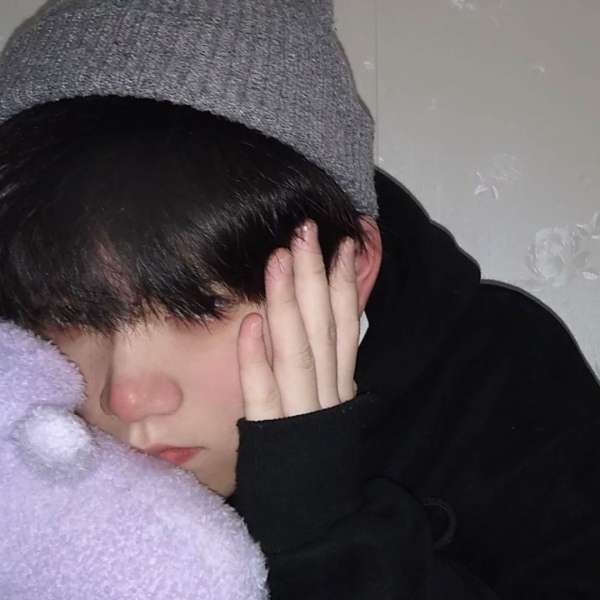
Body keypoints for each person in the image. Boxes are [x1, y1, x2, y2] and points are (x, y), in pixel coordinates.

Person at [0, 1, 599, 598]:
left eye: (200, 307)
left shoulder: (501, 385)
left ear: (352, 266)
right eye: (66, 314)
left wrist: (320, 526)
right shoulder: (23, 441)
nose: (126, 396)